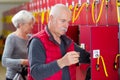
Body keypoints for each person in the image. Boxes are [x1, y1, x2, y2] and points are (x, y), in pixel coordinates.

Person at [28, 4, 90, 80]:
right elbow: (36, 73)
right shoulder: (37, 41)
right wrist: (62, 62)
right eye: (63, 21)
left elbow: (88, 57)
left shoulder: (67, 42)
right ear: (51, 18)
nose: (66, 26)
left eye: (68, 22)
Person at [2, 10, 35, 80]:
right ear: (20, 24)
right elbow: (4, 61)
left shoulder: (31, 37)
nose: (32, 27)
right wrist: (23, 62)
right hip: (14, 77)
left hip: (28, 76)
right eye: (29, 24)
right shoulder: (12, 38)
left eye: (32, 24)